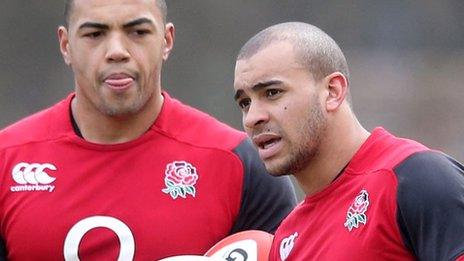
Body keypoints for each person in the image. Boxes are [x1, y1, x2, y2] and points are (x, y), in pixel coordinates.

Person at [0, 1, 297, 260]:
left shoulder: (242, 165)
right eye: (94, 34)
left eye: (138, 32)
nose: (116, 51)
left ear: (166, 40)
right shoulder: (6, 159)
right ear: (66, 45)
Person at [233, 22, 464, 261]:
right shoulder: (286, 237)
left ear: (333, 92)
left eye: (272, 93)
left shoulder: (417, 178)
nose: (252, 118)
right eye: (245, 103)